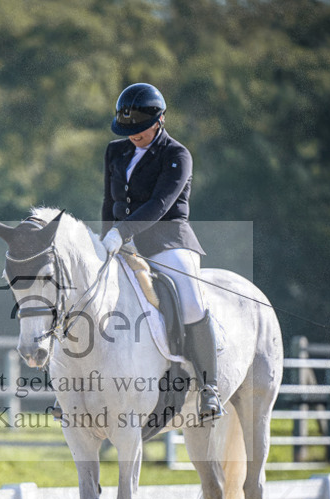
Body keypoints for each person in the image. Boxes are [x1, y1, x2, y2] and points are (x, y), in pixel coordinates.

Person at [101, 82, 222, 420]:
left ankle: (209, 387)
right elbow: (108, 201)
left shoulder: (177, 155)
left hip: (168, 241)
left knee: (191, 300)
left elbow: (160, 203)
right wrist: (105, 239)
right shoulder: (115, 151)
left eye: (140, 130)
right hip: (120, 241)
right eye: (129, 130)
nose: (134, 136)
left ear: (159, 121)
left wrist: (122, 231)